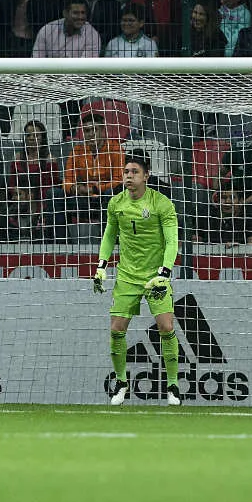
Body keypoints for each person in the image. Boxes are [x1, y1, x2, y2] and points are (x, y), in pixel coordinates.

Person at [92, 149, 181, 406]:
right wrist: (101, 265)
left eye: (135, 172)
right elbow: (109, 235)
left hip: (156, 277)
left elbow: (172, 241)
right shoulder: (116, 203)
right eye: (126, 172)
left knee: (166, 327)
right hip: (127, 276)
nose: (129, 177)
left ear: (146, 176)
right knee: (117, 330)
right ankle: (121, 383)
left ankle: (173, 385)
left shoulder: (161, 204)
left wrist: (164, 273)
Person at [31, 0, 101, 58]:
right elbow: (36, 58)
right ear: (65, 13)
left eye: (83, 13)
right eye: (76, 13)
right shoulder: (47, 30)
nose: (80, 17)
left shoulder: (92, 34)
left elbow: (87, 66)